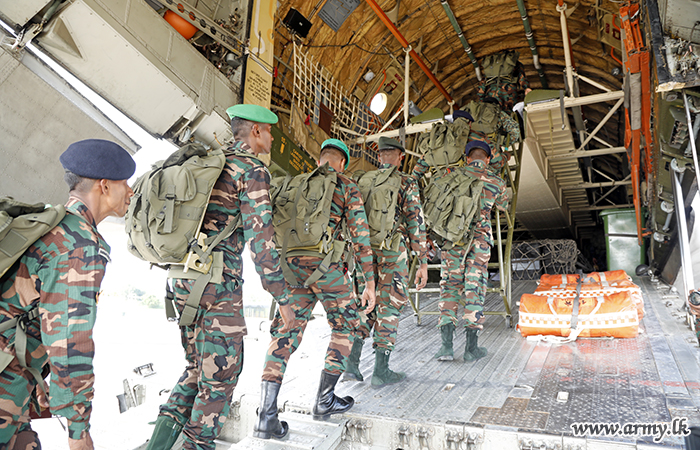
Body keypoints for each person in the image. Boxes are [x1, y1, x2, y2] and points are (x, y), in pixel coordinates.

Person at [146, 104, 294, 450]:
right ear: (255, 131)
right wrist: (284, 298)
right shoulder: (252, 170)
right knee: (220, 380)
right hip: (216, 285)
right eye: (269, 131)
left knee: (196, 370)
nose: (272, 139)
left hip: (181, 280)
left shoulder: (209, 163)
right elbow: (262, 244)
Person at [0, 139, 135, 450]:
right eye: (124, 184)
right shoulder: (79, 246)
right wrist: (78, 431)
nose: (130, 192)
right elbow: (70, 343)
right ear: (104, 186)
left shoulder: (51, 222)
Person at [255, 139, 376, 439]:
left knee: (285, 332)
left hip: (290, 268)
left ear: (319, 160)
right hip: (325, 268)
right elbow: (360, 237)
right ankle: (325, 399)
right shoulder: (345, 186)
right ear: (342, 163)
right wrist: (369, 282)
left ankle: (266, 416)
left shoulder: (294, 183)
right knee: (346, 325)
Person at [343, 137, 428, 386]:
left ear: (379, 157)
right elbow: (415, 222)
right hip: (392, 251)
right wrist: (422, 261)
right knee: (388, 306)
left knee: (365, 302)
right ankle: (381, 371)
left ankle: (351, 365)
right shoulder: (406, 182)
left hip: (364, 253)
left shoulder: (362, 180)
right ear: (401, 157)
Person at [433, 141, 508, 361]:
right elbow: (502, 205)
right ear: (487, 159)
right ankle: (471, 349)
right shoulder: (496, 181)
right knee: (474, 288)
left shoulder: (452, 176)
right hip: (479, 243)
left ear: (467, 158)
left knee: (449, 288)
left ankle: (446, 347)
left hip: (453, 240)